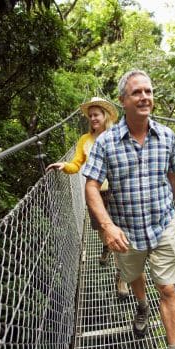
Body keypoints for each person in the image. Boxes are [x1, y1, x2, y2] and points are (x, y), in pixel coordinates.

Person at [82, 70, 175, 349]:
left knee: (168, 287)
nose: (145, 96)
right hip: (126, 231)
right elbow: (91, 185)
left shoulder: (167, 136)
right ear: (123, 101)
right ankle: (140, 305)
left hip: (163, 225)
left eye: (148, 91)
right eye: (137, 92)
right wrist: (106, 226)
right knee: (134, 275)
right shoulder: (105, 142)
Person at [46, 96, 129, 300]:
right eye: (90, 115)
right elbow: (76, 164)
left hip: (118, 191)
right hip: (95, 194)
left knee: (120, 232)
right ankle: (107, 248)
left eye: (96, 114)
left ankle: (122, 277)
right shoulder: (84, 140)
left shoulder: (117, 135)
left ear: (105, 116)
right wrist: (64, 166)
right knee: (103, 231)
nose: (93, 118)